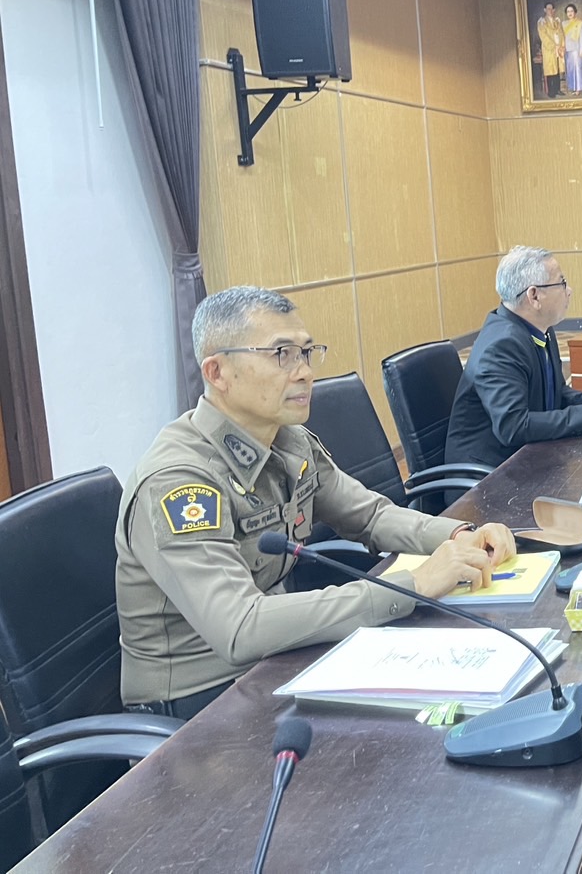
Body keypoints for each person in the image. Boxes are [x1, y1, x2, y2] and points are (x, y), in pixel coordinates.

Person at [115, 287, 516, 720]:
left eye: (306, 353)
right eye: (282, 355)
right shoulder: (179, 481)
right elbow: (240, 627)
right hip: (200, 703)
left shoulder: (288, 439)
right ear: (218, 372)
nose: (304, 372)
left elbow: (370, 515)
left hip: (279, 656)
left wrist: (459, 535)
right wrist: (412, 586)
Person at [444, 246, 582, 469]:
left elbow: (554, 394)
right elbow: (513, 426)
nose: (569, 291)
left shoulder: (540, 330)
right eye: (561, 283)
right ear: (534, 296)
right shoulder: (501, 345)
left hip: (527, 459)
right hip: (489, 475)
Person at [536, 1, 564, 97]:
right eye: (548, 9)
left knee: (557, 69)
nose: (550, 11)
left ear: (554, 10)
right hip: (549, 49)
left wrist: (561, 45)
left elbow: (561, 33)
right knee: (550, 69)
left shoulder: (557, 21)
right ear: (545, 10)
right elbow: (543, 36)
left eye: (552, 9)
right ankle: (551, 92)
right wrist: (553, 46)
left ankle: (557, 89)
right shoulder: (542, 22)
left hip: (558, 48)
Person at [562, 2, 582, 94]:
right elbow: (562, 37)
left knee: (578, 69)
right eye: (568, 11)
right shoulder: (564, 24)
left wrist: (581, 50)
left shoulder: (580, 24)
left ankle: (578, 89)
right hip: (568, 50)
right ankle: (572, 87)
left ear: (575, 12)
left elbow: (581, 38)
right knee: (570, 69)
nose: (570, 13)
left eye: (571, 11)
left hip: (577, 50)